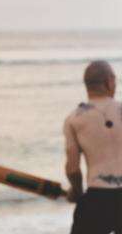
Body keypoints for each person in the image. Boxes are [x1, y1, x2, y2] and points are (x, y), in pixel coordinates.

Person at [64, 61, 122, 233]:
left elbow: (72, 169)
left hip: (98, 198)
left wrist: (77, 192)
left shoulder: (74, 119)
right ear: (109, 81)